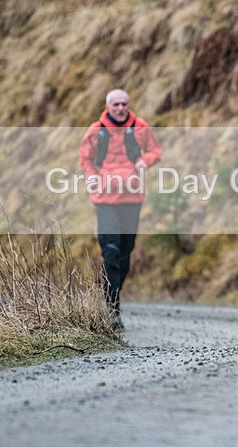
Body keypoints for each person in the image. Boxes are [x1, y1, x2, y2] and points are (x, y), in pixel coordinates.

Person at [79, 89, 162, 330]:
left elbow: (155, 151)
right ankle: (112, 309)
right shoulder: (96, 130)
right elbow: (85, 158)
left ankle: (113, 293)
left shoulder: (139, 126)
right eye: (116, 104)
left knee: (126, 253)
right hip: (104, 198)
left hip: (132, 197)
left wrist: (144, 161)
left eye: (124, 103)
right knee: (111, 251)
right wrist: (92, 177)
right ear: (108, 106)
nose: (121, 107)